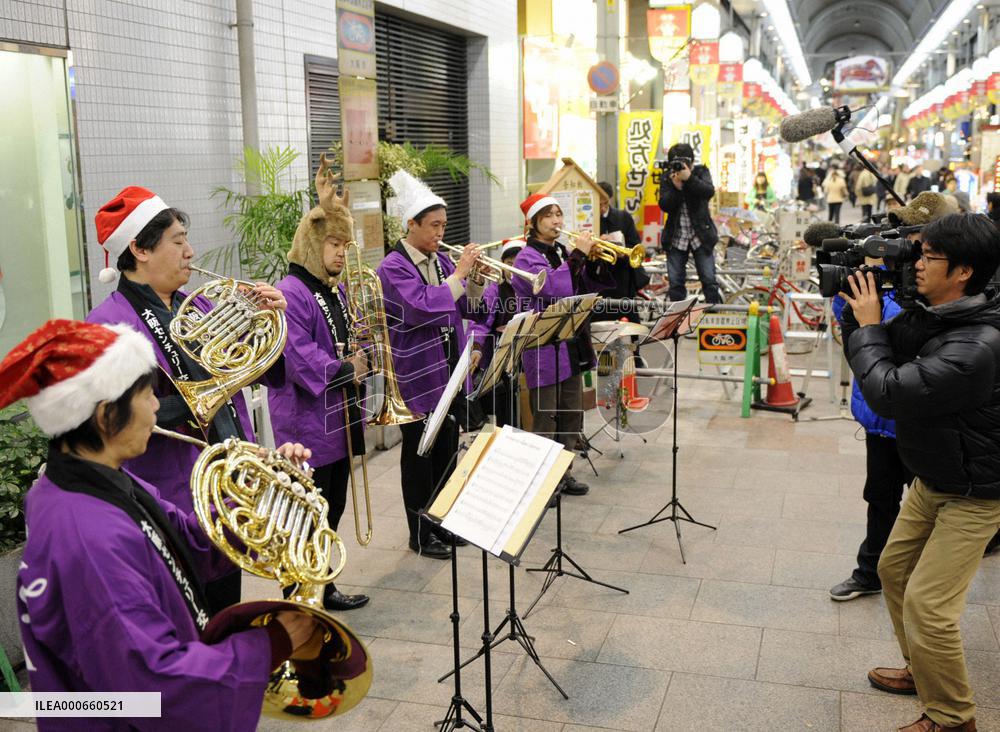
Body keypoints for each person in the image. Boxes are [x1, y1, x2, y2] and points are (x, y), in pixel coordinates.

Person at [2, 319, 322, 731]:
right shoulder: (88, 536)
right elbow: (156, 686)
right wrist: (273, 642)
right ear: (105, 416)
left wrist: (263, 498)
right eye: (148, 393)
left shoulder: (89, 478)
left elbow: (184, 541)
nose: (157, 406)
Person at [86, 186, 287, 614]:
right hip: (169, 499)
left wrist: (270, 323)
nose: (191, 253)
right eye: (178, 242)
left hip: (228, 486)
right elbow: (111, 423)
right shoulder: (107, 326)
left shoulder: (198, 307)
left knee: (224, 610)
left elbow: (266, 373)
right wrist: (199, 397)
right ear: (139, 249)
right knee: (184, 624)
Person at [839, 213, 1000, 732]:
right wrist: (861, 305)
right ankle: (923, 669)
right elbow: (890, 341)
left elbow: (888, 389)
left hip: (976, 492)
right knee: (893, 571)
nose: (918, 264)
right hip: (935, 475)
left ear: (964, 272)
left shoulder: (976, 345)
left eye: (928, 257)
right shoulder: (940, 312)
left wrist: (868, 326)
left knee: (930, 607)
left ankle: (953, 719)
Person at [828, 192, 951, 603]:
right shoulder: (888, 283)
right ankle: (871, 572)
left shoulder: (944, 297)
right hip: (881, 419)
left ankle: (918, 579)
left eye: (915, 239)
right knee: (880, 497)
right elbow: (859, 351)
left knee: (927, 507)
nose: (908, 251)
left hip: (922, 422)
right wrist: (855, 305)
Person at [268, 155, 370, 610]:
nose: (341, 255)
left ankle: (323, 587)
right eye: (334, 245)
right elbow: (298, 356)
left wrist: (360, 350)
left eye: (345, 247)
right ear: (310, 242)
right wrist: (348, 368)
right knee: (304, 517)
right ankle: (297, 600)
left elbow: (341, 341)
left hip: (336, 419)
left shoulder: (333, 289)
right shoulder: (291, 291)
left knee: (331, 511)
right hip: (304, 426)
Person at [377, 170, 486, 559]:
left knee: (446, 451)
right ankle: (419, 533)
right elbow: (420, 307)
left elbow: (462, 306)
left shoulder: (438, 260)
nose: (441, 232)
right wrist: (459, 275)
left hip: (445, 368)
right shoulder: (392, 266)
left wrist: (473, 281)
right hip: (414, 373)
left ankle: (442, 523)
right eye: (434, 225)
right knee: (419, 455)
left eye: (444, 224)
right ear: (412, 224)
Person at [511, 193, 615, 496]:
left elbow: (584, 289)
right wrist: (577, 257)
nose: (557, 221)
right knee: (546, 415)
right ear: (533, 222)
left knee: (571, 413)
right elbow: (554, 288)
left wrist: (592, 260)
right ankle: (541, 484)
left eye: (559, 214)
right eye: (549, 215)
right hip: (543, 347)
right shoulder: (526, 257)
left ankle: (563, 474)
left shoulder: (560, 251)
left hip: (570, 344)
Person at [470, 240, 524, 429]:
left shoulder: (530, 287)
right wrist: (476, 347)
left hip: (524, 353)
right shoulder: (494, 290)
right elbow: (480, 322)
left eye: (519, 264)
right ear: (502, 264)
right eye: (510, 264)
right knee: (501, 410)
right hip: (497, 355)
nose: (514, 269)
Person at [659, 142, 721, 303]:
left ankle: (716, 322)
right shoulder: (668, 177)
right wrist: (677, 188)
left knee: (709, 281)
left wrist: (690, 179)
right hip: (676, 237)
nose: (679, 167)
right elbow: (664, 205)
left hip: (701, 236)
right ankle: (678, 323)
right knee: (676, 284)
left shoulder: (701, 172)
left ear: (691, 162)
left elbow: (709, 191)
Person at [596, 180, 648, 323]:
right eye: (598, 203)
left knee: (627, 317)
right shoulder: (590, 219)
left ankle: (633, 344)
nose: (601, 207)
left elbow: (635, 244)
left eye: (604, 203)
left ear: (609, 199)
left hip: (622, 276)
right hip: (599, 277)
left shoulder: (623, 217)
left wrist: (621, 250)